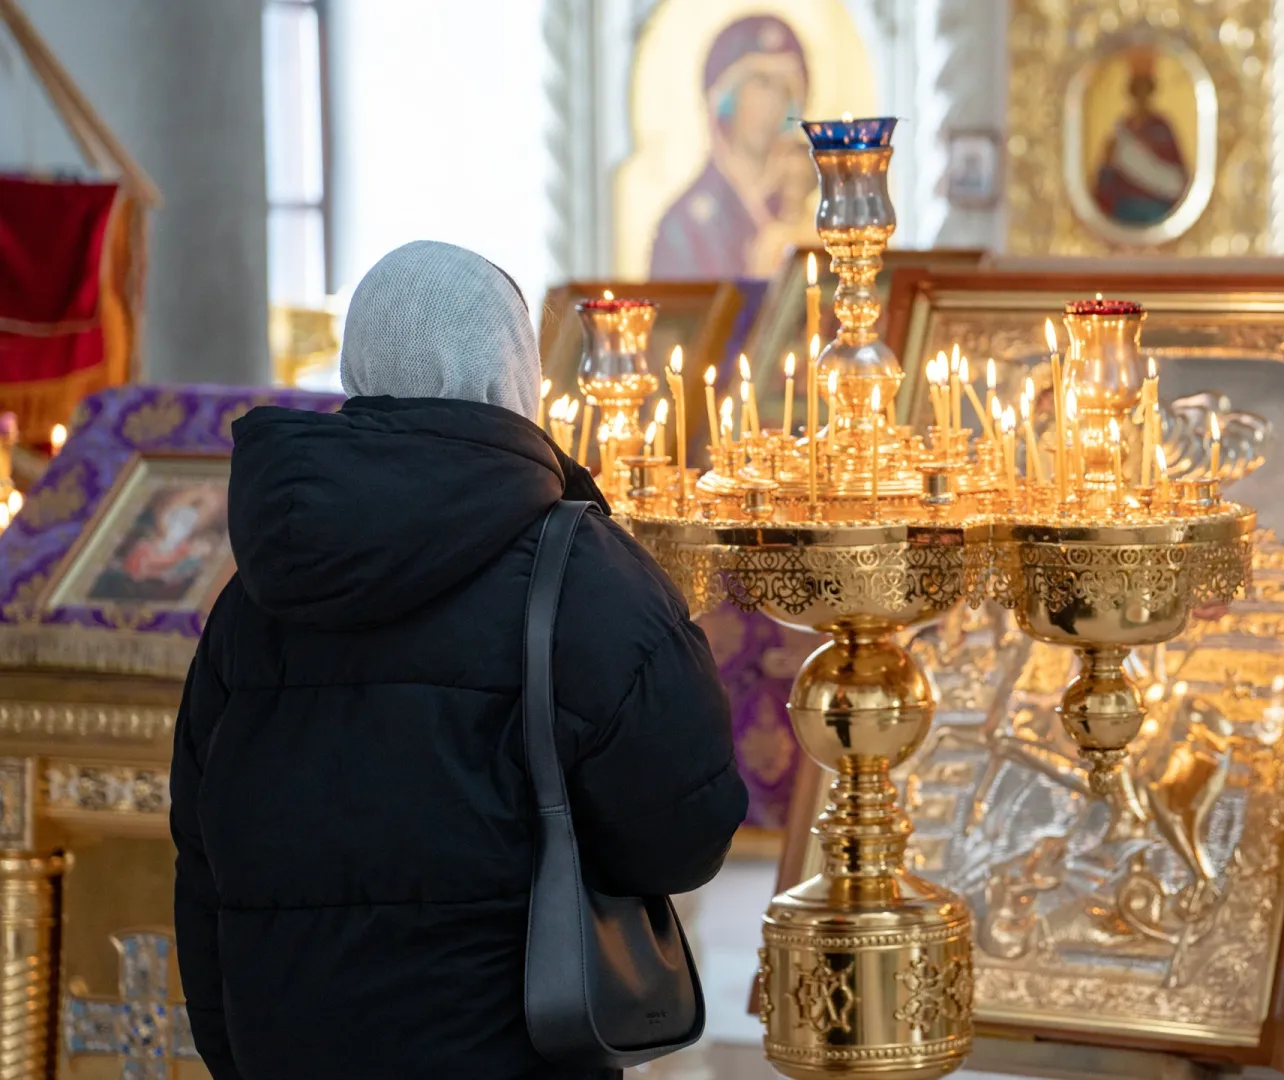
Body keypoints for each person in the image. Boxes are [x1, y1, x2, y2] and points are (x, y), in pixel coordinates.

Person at [169, 240, 747, 1080]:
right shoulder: (587, 577)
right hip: (514, 1050)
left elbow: (202, 859)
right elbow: (684, 837)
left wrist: (235, 1051)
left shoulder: (252, 597)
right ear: (511, 367)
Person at [649, 15, 815, 279]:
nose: (772, 102)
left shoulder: (801, 207)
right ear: (726, 97)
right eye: (761, 84)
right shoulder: (685, 226)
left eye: (784, 88)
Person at [1092, 49, 1190, 226]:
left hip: (1155, 208)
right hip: (1123, 209)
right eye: (1137, 90)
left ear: (1150, 92)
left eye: (1145, 90)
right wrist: (1108, 163)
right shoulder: (1121, 128)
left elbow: (1176, 179)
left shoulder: (1161, 127)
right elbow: (1106, 179)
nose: (1141, 97)